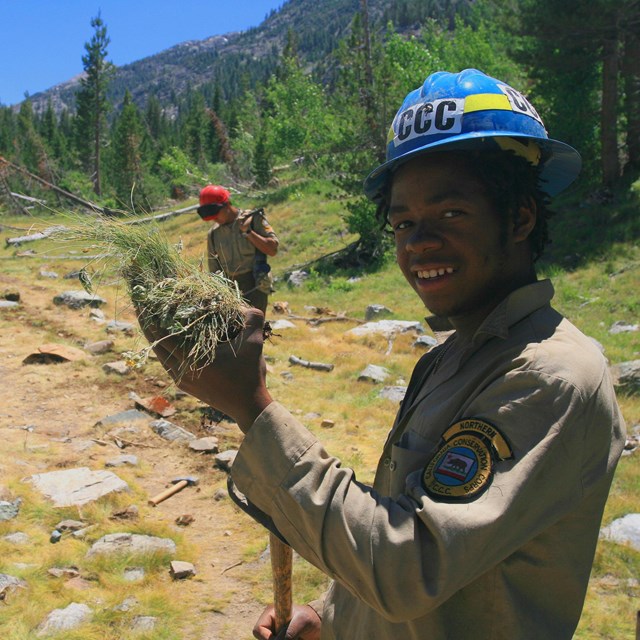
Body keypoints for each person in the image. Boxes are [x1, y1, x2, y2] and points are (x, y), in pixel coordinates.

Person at [143, 69, 626, 640]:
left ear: (520, 218)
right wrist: (332, 615)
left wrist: (253, 408)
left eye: (451, 214)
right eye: (404, 222)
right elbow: (404, 516)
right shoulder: (450, 358)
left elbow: (406, 568)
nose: (419, 242)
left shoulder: (548, 375)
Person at [197, 184, 279, 314]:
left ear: (227, 204)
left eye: (217, 215)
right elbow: (214, 271)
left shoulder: (252, 219)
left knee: (253, 327)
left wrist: (248, 232)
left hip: (255, 284)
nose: (215, 220)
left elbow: (272, 249)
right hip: (229, 291)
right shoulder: (213, 234)